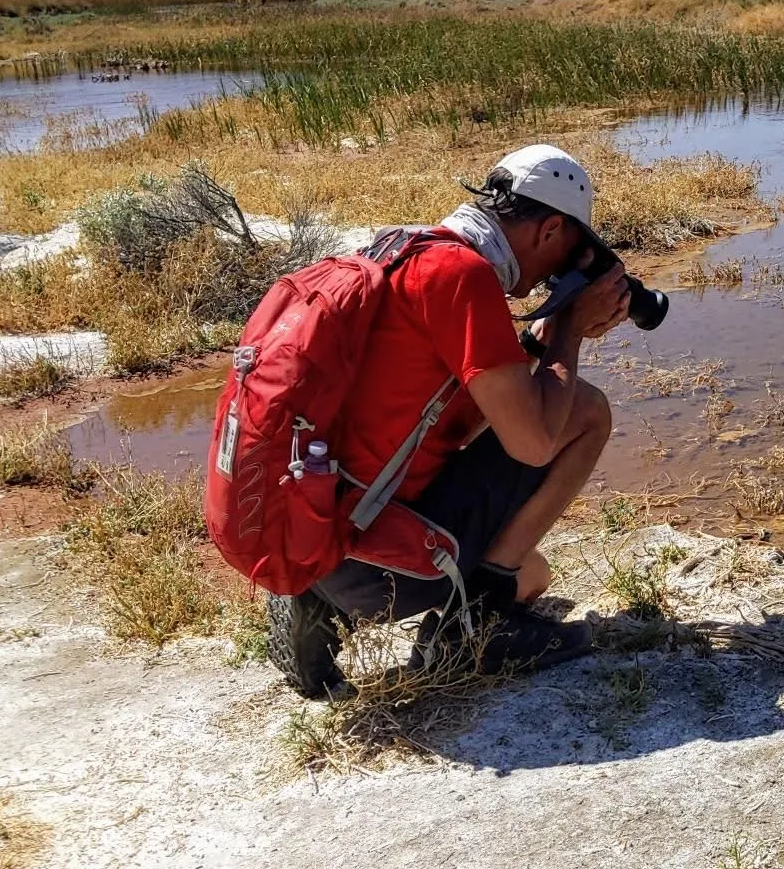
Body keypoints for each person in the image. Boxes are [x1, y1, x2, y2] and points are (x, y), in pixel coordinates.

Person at [266, 144, 630, 700]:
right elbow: (533, 444)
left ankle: (316, 603)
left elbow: (453, 399)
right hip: (380, 562)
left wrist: (541, 341)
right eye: (567, 255)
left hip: (315, 525)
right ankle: (476, 626)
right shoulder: (465, 277)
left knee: (536, 576)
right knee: (586, 412)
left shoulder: (404, 249)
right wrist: (569, 331)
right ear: (551, 228)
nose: (552, 278)